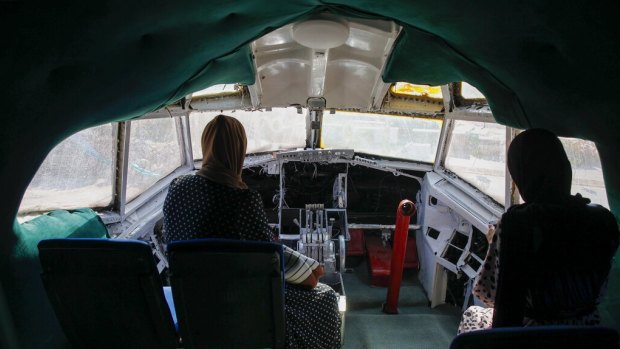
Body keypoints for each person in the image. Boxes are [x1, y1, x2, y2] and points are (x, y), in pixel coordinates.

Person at [163, 114, 342, 348]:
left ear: (205, 146)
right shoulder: (242, 200)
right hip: (242, 306)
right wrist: (308, 271)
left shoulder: (177, 189)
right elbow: (267, 259)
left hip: (194, 305)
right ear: (239, 151)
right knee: (325, 297)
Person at [458, 128, 619, 333]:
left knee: (472, 315)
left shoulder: (517, 223)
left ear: (522, 175)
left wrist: (496, 242)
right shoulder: (604, 219)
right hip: (588, 333)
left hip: (530, 335)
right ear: (565, 168)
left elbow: (487, 293)